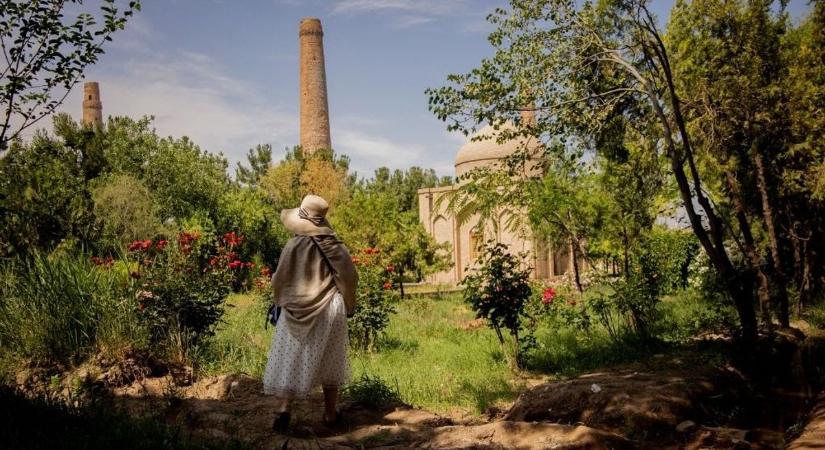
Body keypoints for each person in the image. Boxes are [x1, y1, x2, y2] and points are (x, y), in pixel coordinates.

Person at [262, 194, 358, 432]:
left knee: (292, 357)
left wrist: (283, 300)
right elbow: (350, 278)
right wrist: (348, 304)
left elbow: (278, 281)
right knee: (331, 360)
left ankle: (284, 408)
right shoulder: (335, 246)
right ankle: (329, 414)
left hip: (295, 309)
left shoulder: (293, 245)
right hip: (328, 308)